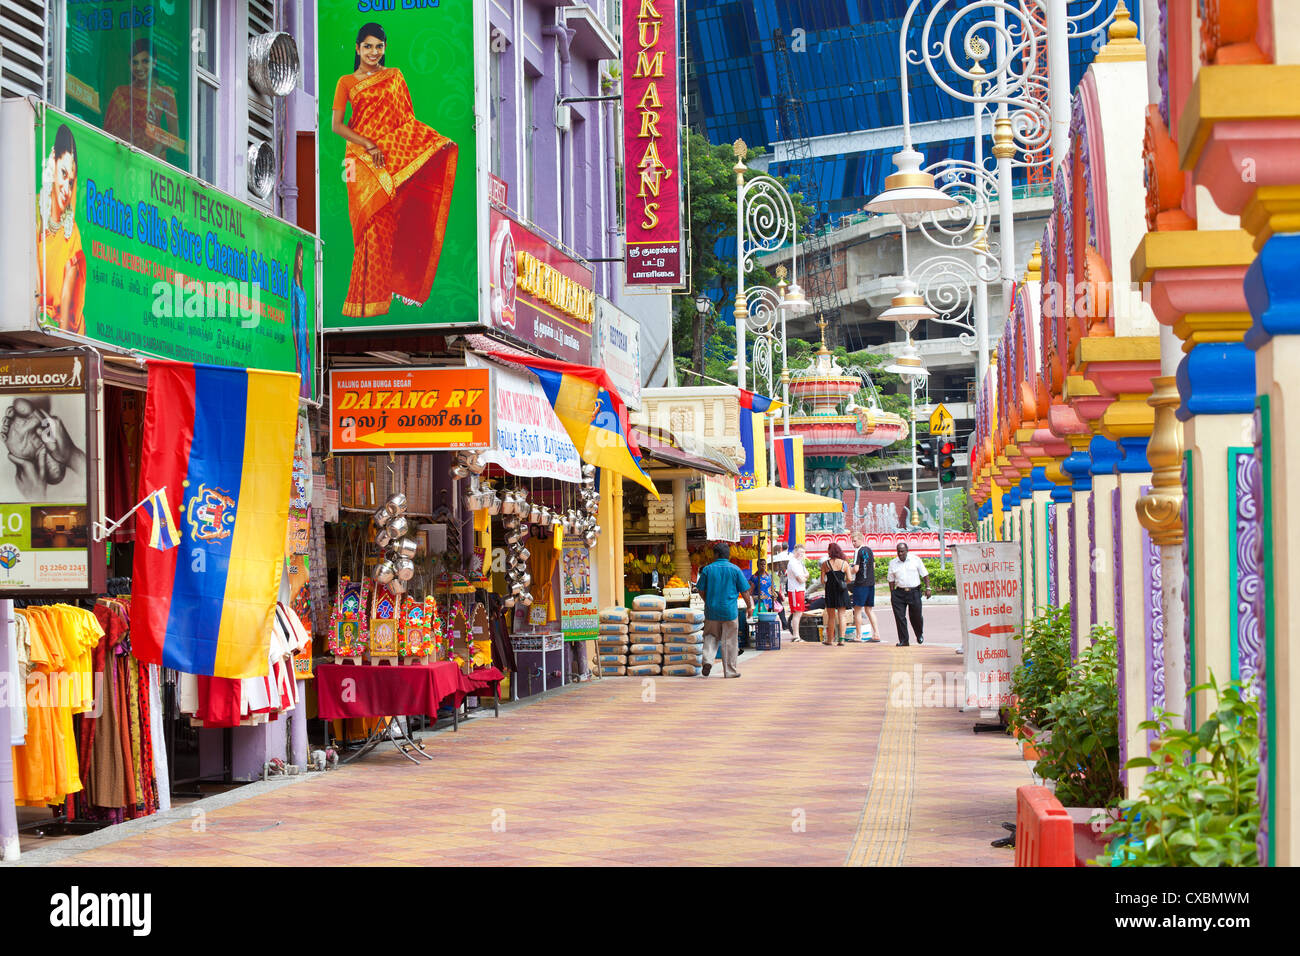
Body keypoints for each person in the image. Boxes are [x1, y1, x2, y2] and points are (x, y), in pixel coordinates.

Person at [331, 22, 458, 319]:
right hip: (361, 160)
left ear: (384, 48)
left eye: (379, 46)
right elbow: (337, 126)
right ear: (357, 48)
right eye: (368, 46)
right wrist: (369, 144)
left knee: (387, 225)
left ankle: (380, 299)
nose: (374, 52)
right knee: (368, 229)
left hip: (392, 156)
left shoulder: (395, 77)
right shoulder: (346, 82)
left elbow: (406, 121)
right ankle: (361, 302)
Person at [37, 124, 85, 336]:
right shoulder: (34, 213)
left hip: (59, 338)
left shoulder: (72, 234)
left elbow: (67, 311)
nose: (66, 188)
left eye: (71, 181)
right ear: (53, 161)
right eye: (63, 173)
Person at [103, 38, 181, 160]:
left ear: (154, 62)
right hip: (122, 157)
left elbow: (174, 135)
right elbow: (108, 131)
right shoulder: (121, 93)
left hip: (153, 162)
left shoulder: (166, 93)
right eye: (135, 62)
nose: (139, 67)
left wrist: (158, 147)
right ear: (129, 64)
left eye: (145, 61)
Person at [695, 542, 753, 678]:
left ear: (715, 555)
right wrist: (749, 606)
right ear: (728, 555)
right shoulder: (735, 570)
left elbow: (700, 589)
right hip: (730, 612)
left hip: (712, 611)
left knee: (710, 636)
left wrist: (707, 601)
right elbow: (745, 591)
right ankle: (730, 671)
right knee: (730, 641)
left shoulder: (707, 570)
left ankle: (708, 660)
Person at [887, 542, 931, 646]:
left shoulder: (915, 560)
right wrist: (892, 594)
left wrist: (928, 588)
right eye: (898, 551)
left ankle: (919, 634)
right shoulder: (893, 563)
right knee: (900, 617)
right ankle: (904, 640)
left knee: (916, 616)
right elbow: (891, 579)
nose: (900, 553)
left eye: (902, 551)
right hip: (899, 593)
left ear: (907, 550)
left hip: (914, 592)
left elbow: (924, 574)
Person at [849, 531, 882, 643]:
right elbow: (873, 565)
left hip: (860, 584)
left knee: (857, 609)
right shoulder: (869, 550)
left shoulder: (858, 551)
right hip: (870, 583)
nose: (853, 543)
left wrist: (848, 571)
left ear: (860, 539)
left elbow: (856, 569)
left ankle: (859, 636)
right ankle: (876, 633)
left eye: (854, 540)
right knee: (869, 609)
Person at [290, 243, 311, 398]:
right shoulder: (293, 286)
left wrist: (309, 338)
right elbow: (293, 319)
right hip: (298, 339)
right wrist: (297, 355)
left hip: (306, 341)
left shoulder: (303, 287)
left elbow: (306, 318)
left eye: (302, 258)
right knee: (299, 371)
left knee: (306, 375)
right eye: (299, 256)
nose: (300, 261)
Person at [820, 542, 851, 646]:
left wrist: (830, 583)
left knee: (831, 616)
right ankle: (841, 640)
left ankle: (829, 640)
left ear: (830, 551)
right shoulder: (844, 563)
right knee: (842, 615)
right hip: (841, 591)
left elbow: (822, 580)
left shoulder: (825, 564)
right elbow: (850, 579)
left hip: (830, 591)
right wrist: (842, 583)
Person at [785, 545, 808, 642]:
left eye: (803, 552)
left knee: (799, 612)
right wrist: (804, 577)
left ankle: (796, 635)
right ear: (795, 552)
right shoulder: (793, 563)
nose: (801, 554)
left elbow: (807, 574)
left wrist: (804, 577)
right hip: (795, 590)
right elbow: (801, 579)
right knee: (797, 613)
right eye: (799, 552)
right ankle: (796, 635)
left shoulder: (800, 563)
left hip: (800, 590)